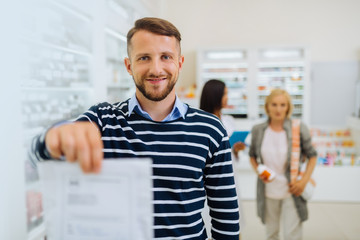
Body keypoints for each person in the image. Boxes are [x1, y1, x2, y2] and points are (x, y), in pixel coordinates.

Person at [31, 17, 240, 239]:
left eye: (166, 57)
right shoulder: (103, 119)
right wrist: (55, 136)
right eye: (144, 58)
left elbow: (225, 216)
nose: (156, 69)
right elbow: (38, 155)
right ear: (129, 66)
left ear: (179, 63)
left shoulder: (209, 128)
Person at [248, 89, 317, 240]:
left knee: (292, 235)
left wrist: (303, 182)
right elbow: (252, 155)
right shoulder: (258, 130)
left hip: (292, 190)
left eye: (282, 105)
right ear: (267, 107)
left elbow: (312, 156)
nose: (278, 109)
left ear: (288, 107)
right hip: (267, 191)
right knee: (271, 234)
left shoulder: (298, 128)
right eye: (274, 104)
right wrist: (258, 171)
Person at [199, 79, 246, 236]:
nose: (227, 97)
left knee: (230, 220)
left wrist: (237, 150)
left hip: (229, 174)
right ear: (215, 95)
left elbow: (231, 154)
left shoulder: (229, 120)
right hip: (209, 179)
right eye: (225, 94)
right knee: (209, 221)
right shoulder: (201, 122)